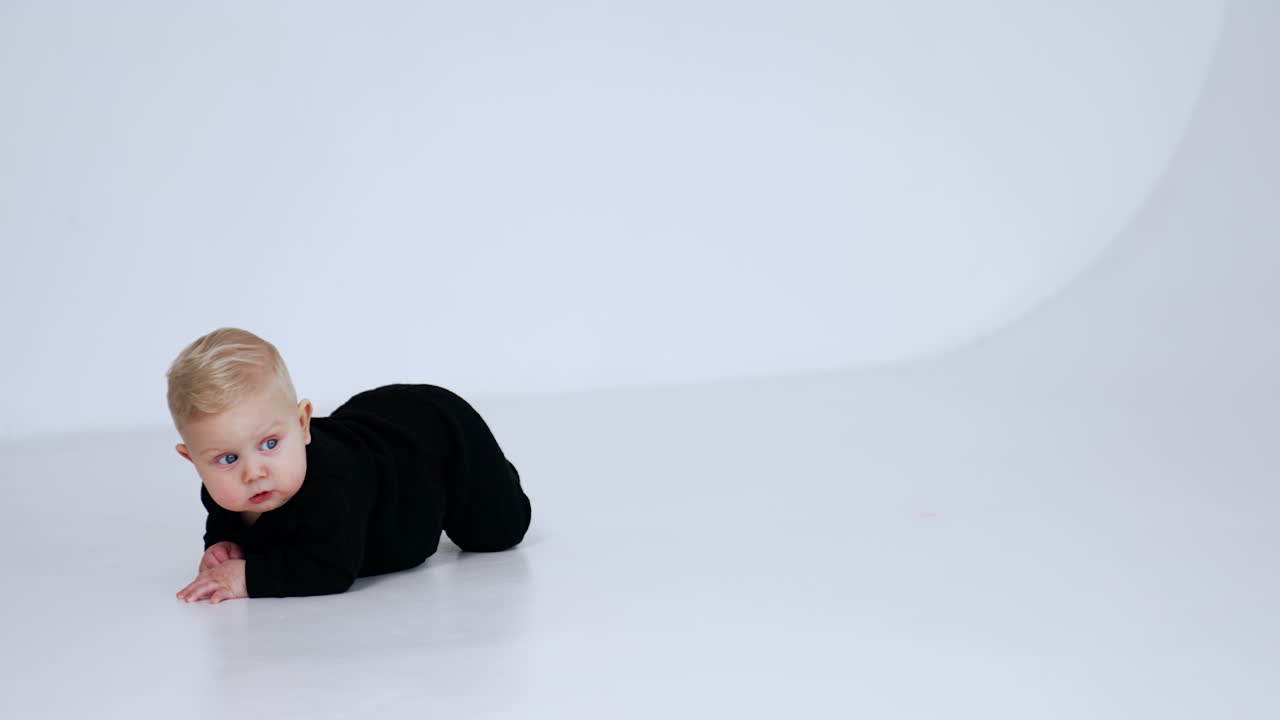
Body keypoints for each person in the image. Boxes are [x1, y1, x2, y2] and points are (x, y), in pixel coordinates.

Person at [167, 327, 531, 603]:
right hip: (367, 435)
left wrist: (246, 577)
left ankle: (499, 476)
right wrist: (223, 544)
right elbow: (225, 520)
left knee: (497, 533)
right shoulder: (227, 488)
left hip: (433, 437)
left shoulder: (331, 485)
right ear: (195, 461)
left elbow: (332, 569)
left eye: (271, 444)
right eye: (228, 458)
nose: (254, 471)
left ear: (302, 424)